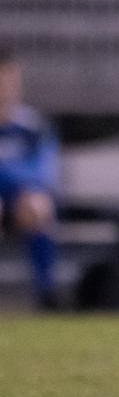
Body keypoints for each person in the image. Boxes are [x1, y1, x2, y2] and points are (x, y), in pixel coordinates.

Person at [0, 47, 61, 309]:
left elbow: (44, 170)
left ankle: (47, 293)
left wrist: (20, 186)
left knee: (38, 206)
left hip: (23, 200)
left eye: (9, 80)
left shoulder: (32, 126)